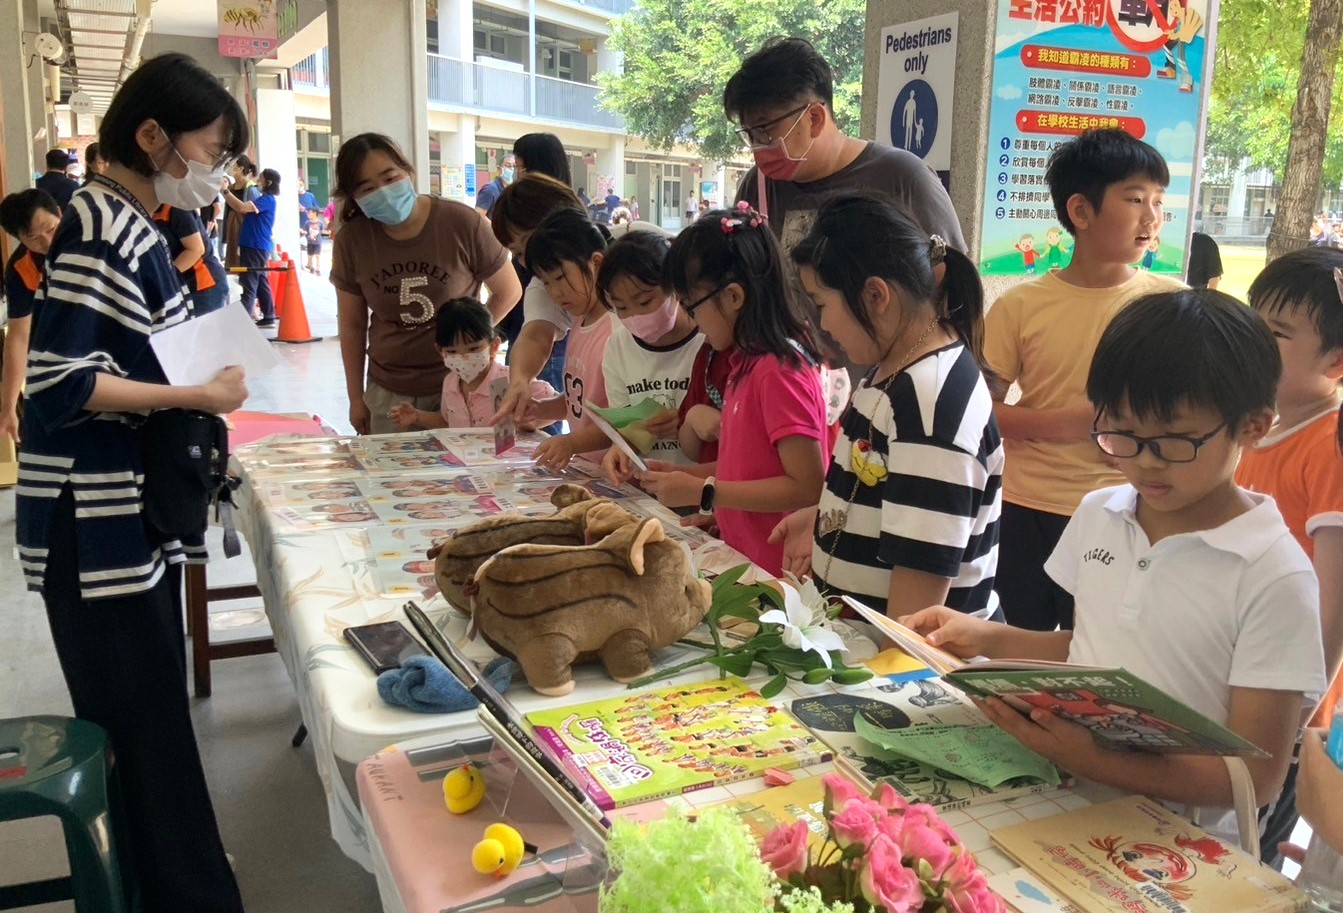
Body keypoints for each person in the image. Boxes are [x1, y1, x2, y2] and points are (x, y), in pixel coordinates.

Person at [904, 290, 1327, 844]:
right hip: (1064, 800)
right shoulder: (1101, 513)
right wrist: (990, 638)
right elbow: (1098, 646)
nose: (1144, 463)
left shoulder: (1275, 574)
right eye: (1123, 434)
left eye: (1173, 441)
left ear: (1253, 425)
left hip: (1179, 847)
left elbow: (1257, 775)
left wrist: (1099, 760)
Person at [18, 52, 250, 912]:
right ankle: (183, 895)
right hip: (96, 527)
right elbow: (62, 380)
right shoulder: (100, 223)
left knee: (149, 723)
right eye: (211, 148)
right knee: (144, 727)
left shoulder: (131, 220)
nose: (215, 172)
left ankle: (174, 883)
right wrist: (197, 392)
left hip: (118, 521)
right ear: (151, 134)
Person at [983, 128, 1184, 632]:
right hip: (1024, 507)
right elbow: (981, 415)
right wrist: (1076, 423)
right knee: (1017, 647)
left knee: (1098, 652)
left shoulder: (1172, 306)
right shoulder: (1020, 306)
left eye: (1159, 201)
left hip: (1128, 510)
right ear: (1080, 212)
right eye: (1135, 198)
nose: (1152, 217)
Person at [770, 194, 1003, 619]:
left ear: (876, 295)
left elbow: (913, 621)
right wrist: (828, 517)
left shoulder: (930, 409)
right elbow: (883, 487)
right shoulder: (895, 365)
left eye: (821, 303)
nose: (821, 324)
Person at [639, 204, 828, 576]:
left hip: (776, 579)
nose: (692, 322)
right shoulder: (744, 362)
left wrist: (708, 493)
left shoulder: (778, 370)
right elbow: (755, 467)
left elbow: (807, 486)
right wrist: (703, 494)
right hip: (744, 561)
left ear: (734, 297)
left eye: (692, 307)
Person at [1235, 247, 1343, 865]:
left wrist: (1304, 705)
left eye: (1275, 334)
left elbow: (1335, 599)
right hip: (1243, 678)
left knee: (1250, 854)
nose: (1252, 341)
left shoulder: (1327, 445)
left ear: (1336, 360)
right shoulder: (1261, 426)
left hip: (1289, 706)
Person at [331, 133, 521, 435]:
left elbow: (509, 290)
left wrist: (467, 345)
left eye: (390, 177)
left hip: (466, 386)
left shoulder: (462, 223)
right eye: (367, 188)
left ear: (408, 171)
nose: (383, 191)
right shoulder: (352, 240)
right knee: (392, 480)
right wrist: (356, 398)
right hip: (389, 392)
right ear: (353, 197)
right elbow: (352, 324)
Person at [725, 38, 965, 259]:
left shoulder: (903, 180)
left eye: (765, 130)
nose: (758, 147)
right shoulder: (757, 187)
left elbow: (956, 288)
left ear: (815, 118)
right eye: (750, 134)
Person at [516, 207, 618, 469]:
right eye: (546, 282)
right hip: (588, 469)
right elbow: (580, 402)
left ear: (596, 263)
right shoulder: (579, 321)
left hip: (617, 474)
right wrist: (541, 409)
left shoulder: (618, 329)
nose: (556, 293)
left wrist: (571, 443)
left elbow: (624, 422)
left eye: (561, 277)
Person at [597, 230, 704, 474]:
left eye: (645, 301)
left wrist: (687, 424)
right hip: (649, 486)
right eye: (621, 307)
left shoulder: (708, 339)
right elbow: (626, 427)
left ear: (675, 287)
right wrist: (621, 449)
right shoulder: (618, 346)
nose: (635, 315)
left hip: (702, 486)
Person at [389, 297, 554, 430]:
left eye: (473, 349)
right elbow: (450, 422)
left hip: (506, 466)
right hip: (467, 466)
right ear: (441, 352)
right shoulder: (450, 383)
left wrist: (530, 423)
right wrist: (417, 417)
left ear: (494, 346)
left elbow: (558, 405)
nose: (464, 357)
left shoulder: (510, 381)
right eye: (452, 352)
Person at [0, 189, 60, 443]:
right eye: (33, 238)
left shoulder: (91, 238)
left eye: (50, 228)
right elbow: (19, 337)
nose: (46, 242)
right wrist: (9, 406)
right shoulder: (22, 267)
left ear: (60, 212)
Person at [151, 203, 229, 316]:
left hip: (204, 284)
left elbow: (196, 250)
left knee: (203, 332)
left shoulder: (176, 209)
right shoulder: (148, 213)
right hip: (182, 285)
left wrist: (166, 279)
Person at [225, 167, 280, 327]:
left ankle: (241, 322)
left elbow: (241, 207)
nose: (257, 181)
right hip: (255, 245)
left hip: (255, 245)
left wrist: (226, 192)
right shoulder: (264, 199)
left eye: (261, 178)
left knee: (249, 282)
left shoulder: (267, 200)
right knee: (260, 280)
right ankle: (269, 315)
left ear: (268, 182)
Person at [222, 154, 258, 268]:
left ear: (241, 168)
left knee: (243, 259)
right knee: (232, 258)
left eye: (233, 165)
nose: (231, 167)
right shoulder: (231, 187)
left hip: (243, 225)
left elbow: (252, 210)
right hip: (231, 225)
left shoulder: (250, 187)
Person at [304, 207, 325, 274]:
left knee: (317, 256)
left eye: (310, 212)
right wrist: (306, 235)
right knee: (310, 256)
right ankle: (311, 267)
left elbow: (321, 231)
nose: (308, 214)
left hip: (318, 242)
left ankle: (318, 269)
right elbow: (306, 231)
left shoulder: (320, 222)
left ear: (315, 213)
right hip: (310, 242)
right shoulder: (307, 223)